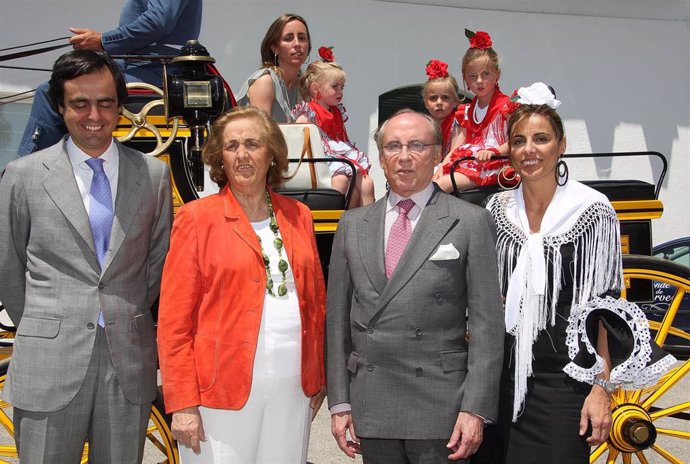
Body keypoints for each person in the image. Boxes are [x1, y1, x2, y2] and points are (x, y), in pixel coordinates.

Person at [476, 84, 676, 463]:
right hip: (498, 381)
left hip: (562, 383)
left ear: (561, 145)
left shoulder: (590, 210)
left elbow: (603, 307)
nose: (529, 150)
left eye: (541, 139)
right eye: (519, 140)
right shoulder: (496, 210)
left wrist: (602, 388)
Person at [0, 50, 172, 463]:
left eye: (105, 102)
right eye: (80, 103)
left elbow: (156, 264)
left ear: (120, 107)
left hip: (126, 362)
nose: (93, 114)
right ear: (61, 107)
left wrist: (121, 310)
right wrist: (47, 326)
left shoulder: (153, 176)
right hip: (48, 363)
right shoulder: (23, 176)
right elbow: (8, 267)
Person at [326, 109, 505, 463]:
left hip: (442, 406)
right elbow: (337, 322)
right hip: (373, 401)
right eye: (393, 146)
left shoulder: (469, 220)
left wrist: (475, 409)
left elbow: (487, 325)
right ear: (380, 158)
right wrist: (340, 401)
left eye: (417, 145)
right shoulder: (353, 223)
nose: (404, 156)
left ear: (437, 154)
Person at [157, 106, 327, 463]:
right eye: (232, 146)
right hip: (219, 392)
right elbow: (173, 323)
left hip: (292, 388)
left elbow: (316, 303)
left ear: (272, 153)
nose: (242, 154)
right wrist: (183, 401)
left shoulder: (300, 217)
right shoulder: (196, 219)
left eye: (253, 143)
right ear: (220, 157)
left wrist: (319, 376)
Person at [18, 0, 203, 156]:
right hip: (142, 66)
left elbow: (159, 21)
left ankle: (29, 171)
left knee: (50, 92)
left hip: (154, 70)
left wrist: (104, 41)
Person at [292, 46, 375, 207]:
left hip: (339, 158)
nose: (340, 92)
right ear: (316, 89)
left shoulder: (337, 111)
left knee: (367, 183)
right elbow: (299, 140)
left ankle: (368, 224)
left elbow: (343, 138)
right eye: (334, 87)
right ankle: (334, 224)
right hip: (320, 161)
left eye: (342, 87)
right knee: (341, 181)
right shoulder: (308, 111)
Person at [433, 29, 514, 192]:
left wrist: (494, 151)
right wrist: (443, 164)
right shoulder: (468, 110)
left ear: (497, 74)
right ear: (465, 78)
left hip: (496, 165)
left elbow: (517, 141)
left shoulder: (507, 106)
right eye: (472, 76)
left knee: (443, 185)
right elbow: (457, 146)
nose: (479, 81)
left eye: (486, 74)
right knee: (428, 180)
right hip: (469, 162)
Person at [236, 13, 310, 123]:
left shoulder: (304, 86)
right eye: (288, 38)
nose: (297, 44)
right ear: (274, 48)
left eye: (302, 38)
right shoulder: (265, 81)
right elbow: (263, 134)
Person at [422, 59, 463, 156]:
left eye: (445, 97)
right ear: (426, 103)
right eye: (433, 98)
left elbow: (454, 154)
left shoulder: (458, 123)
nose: (439, 102)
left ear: (455, 101)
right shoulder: (424, 125)